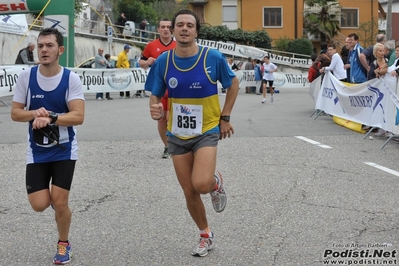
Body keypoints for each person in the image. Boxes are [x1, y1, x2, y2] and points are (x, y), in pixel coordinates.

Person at [146, 9, 239, 257]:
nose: (184, 29)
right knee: (189, 191)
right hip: (177, 133)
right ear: (173, 30)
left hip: (206, 129)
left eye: (190, 25)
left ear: (196, 31)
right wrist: (155, 108)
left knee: (200, 183)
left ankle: (214, 182)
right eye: (180, 25)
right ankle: (205, 234)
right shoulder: (164, 61)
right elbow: (155, 92)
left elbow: (233, 83)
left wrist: (225, 117)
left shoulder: (213, 57)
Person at [10, 28, 85, 265]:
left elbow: (78, 116)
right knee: (40, 205)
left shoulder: (70, 79)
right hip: (37, 151)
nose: (44, 50)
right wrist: (35, 113)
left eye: (49, 45)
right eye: (41, 45)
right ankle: (59, 206)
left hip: (64, 149)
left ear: (60, 50)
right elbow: (15, 113)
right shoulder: (27, 77)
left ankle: (63, 244)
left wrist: (51, 117)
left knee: (60, 202)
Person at [140, 18, 176, 159]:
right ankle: (167, 146)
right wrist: (147, 62)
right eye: (163, 27)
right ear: (158, 29)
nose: (166, 29)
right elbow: (141, 62)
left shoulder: (178, 44)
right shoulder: (151, 45)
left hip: (175, 89)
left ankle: (176, 144)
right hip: (159, 90)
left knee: (171, 117)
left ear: (172, 29)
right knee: (161, 119)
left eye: (168, 27)